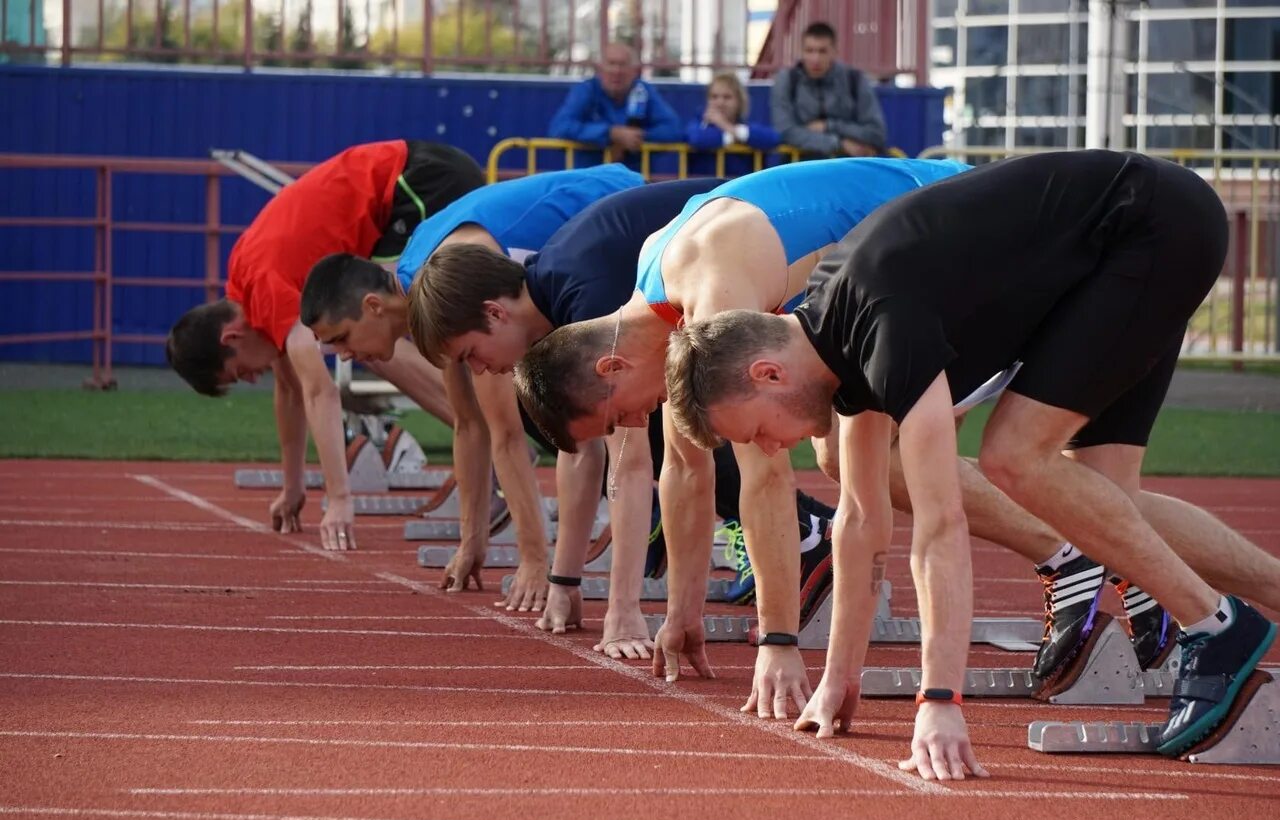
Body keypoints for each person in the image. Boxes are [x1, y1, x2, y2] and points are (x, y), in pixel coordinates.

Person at [663, 150, 1279, 776]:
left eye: (760, 431)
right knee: (1099, 498)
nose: (768, 449)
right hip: (1123, 243)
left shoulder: (881, 323)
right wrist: (838, 677)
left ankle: (1215, 625)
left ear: (766, 373)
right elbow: (858, 519)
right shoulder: (834, 343)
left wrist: (939, 700)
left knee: (1014, 455)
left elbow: (939, 527)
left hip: (1147, 223)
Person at [513, 157, 972, 720]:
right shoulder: (660, 284)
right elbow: (683, 468)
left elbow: (766, 479)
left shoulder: (712, 292)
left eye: (613, 421)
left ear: (610, 368)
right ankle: (1062, 550)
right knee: (855, 456)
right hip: (912, 257)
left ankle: (1061, 555)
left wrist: (777, 643)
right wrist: (683, 613)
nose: (632, 428)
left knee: (873, 458)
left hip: (958, 222)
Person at [407, 178, 837, 658]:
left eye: (472, 355)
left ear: (494, 313)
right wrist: (564, 578)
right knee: (653, 427)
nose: (481, 371)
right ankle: (780, 532)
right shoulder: (559, 294)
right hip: (750, 259)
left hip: (790, 251)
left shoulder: (586, 300)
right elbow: (582, 452)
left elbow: (629, 466)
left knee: (710, 428)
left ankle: (807, 533)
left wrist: (623, 610)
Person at [301, 164, 643, 610]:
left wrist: (536, 561)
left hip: (621, 210)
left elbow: (505, 436)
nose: (345, 356)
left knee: (599, 410)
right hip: (582, 229)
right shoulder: (426, 290)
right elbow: (468, 426)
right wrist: (472, 542)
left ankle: (646, 528)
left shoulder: (448, 294)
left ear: (372, 306)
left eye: (342, 338)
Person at [165, 139, 485, 552]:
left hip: (416, 182)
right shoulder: (247, 290)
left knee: (372, 338)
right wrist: (293, 485)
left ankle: (483, 442)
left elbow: (319, 391)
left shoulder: (263, 287)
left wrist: (339, 500)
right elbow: (290, 389)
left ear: (231, 337)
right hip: (407, 186)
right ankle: (483, 441)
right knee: (368, 337)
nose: (253, 377)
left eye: (241, 372)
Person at [770, 21, 887, 159]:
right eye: (810, 51)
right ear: (801, 52)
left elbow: (877, 134)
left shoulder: (854, 79)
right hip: (799, 169)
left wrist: (829, 126)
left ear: (834, 52)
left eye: (822, 51)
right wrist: (839, 143)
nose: (816, 59)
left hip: (846, 172)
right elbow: (785, 131)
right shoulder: (787, 80)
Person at [548, 42, 684, 160]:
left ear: (634, 71)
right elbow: (560, 127)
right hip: (590, 177)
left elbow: (674, 129)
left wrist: (635, 137)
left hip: (634, 180)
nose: (616, 71)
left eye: (623, 65)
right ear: (600, 69)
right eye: (611, 64)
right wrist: (611, 134)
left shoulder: (643, 90)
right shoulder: (586, 90)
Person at [686, 73, 780, 152]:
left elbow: (772, 138)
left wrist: (726, 126)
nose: (720, 103)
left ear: (739, 101)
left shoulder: (746, 124)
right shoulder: (699, 123)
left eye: (727, 97)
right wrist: (735, 137)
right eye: (714, 97)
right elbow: (696, 138)